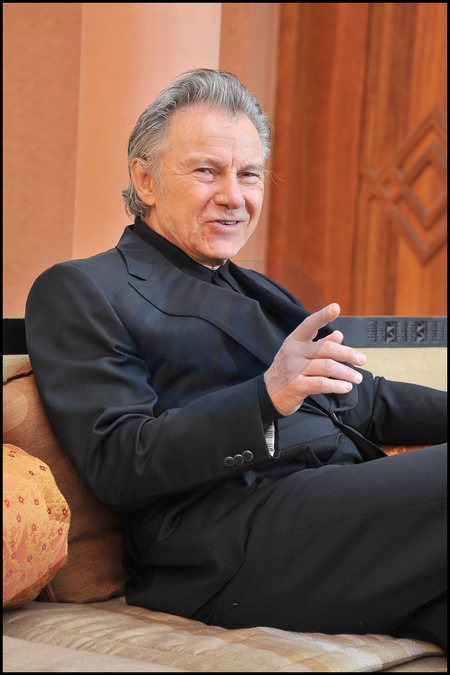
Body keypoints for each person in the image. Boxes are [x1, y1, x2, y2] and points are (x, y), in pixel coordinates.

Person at [25, 68, 447, 652]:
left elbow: (364, 398)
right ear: (145, 180)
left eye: (249, 174)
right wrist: (264, 398)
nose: (234, 196)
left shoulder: (258, 288)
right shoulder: (83, 288)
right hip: (228, 542)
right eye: (207, 171)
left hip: (338, 511)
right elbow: (119, 461)